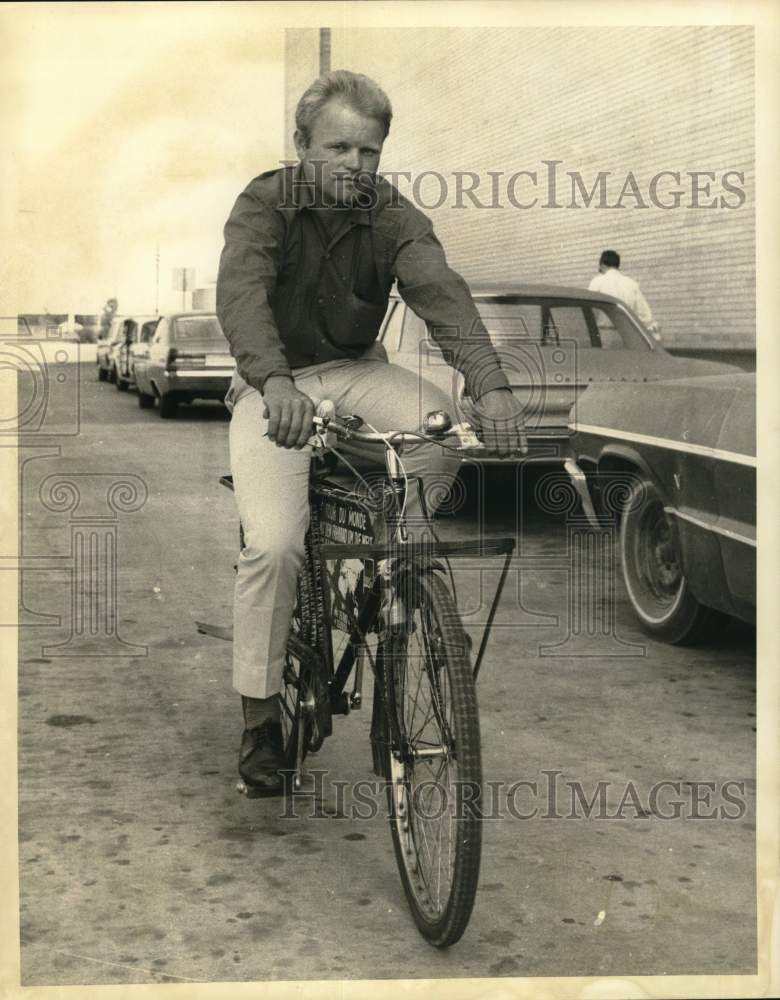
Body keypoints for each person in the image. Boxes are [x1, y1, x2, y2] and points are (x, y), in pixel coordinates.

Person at [216, 69, 527, 794]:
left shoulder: (391, 215)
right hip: (276, 382)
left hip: (355, 370)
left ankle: (401, 572)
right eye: (338, 148)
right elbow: (242, 295)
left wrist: (491, 384)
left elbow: (441, 297)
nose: (356, 167)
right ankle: (260, 722)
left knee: (438, 431)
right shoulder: (265, 204)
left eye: (370, 152)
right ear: (301, 146)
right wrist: (275, 380)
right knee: (275, 544)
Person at [588, 250, 660, 339]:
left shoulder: (596, 282)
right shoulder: (632, 284)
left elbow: (590, 312)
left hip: (604, 334)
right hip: (628, 336)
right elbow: (644, 315)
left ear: (602, 265)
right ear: (617, 266)